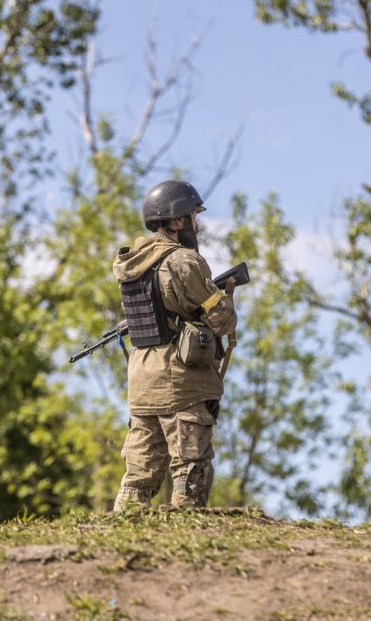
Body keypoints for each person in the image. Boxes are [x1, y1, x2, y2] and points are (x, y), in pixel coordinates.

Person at [111, 179, 237, 511]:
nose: (197, 224)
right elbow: (221, 319)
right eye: (193, 216)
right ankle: (186, 537)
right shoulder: (183, 261)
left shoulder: (129, 264)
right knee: (189, 472)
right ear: (177, 220)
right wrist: (224, 299)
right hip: (182, 381)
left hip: (141, 379)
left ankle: (120, 534)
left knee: (138, 476)